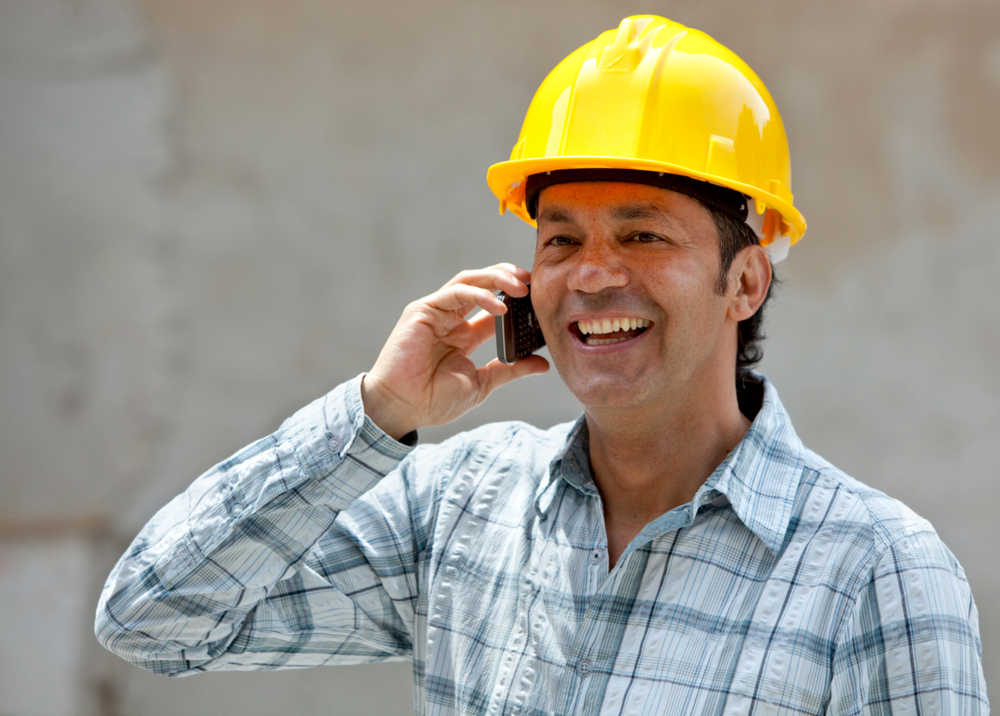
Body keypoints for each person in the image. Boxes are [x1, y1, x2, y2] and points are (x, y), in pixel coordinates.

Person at [96, 15, 988, 715]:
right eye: (561, 240)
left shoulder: (877, 573)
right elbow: (152, 617)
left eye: (642, 233)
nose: (593, 274)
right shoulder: (457, 509)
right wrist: (375, 415)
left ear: (744, 280)